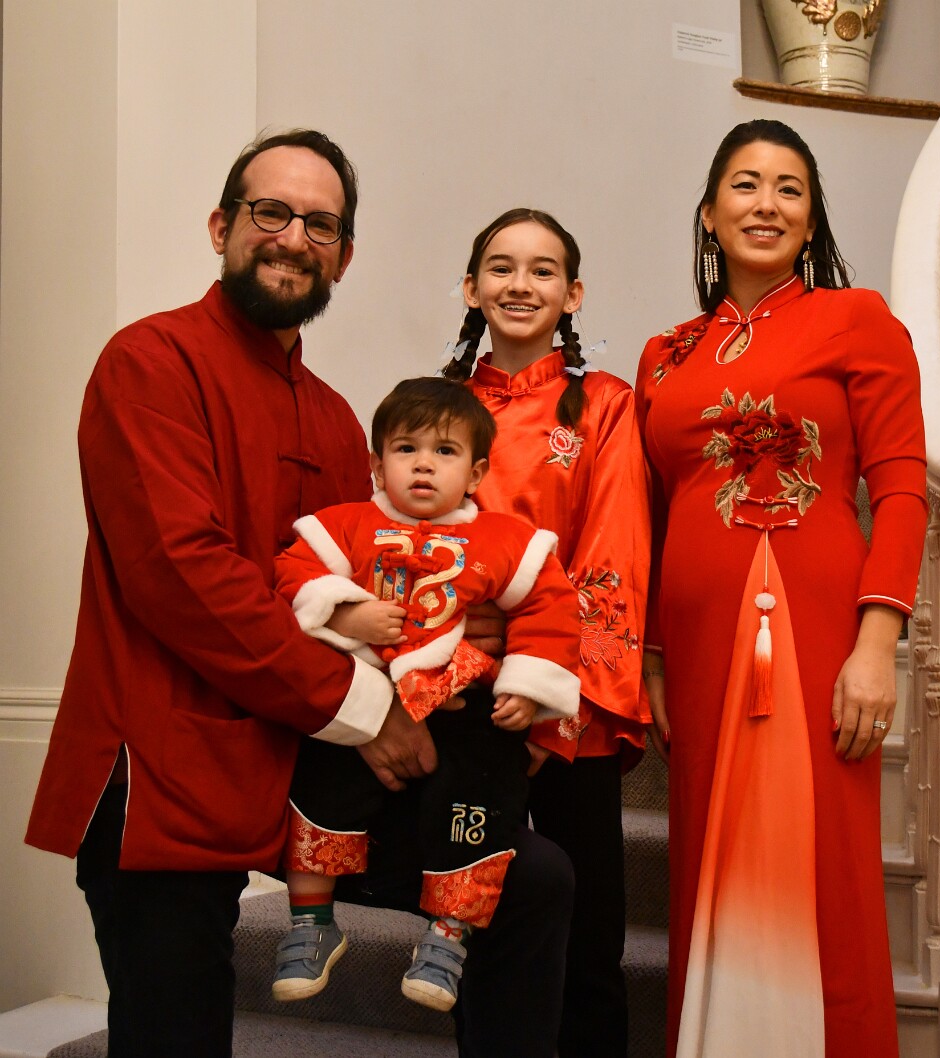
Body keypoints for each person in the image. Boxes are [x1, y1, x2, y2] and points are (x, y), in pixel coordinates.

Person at [23, 130, 574, 1058]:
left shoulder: (329, 416)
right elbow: (185, 575)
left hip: (297, 763)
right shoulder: (149, 362)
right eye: (269, 212)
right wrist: (366, 711)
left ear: (344, 257)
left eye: (321, 224)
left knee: (535, 878)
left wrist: (472, 630)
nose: (292, 237)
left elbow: (376, 571)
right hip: (165, 770)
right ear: (221, 226)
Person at [634, 120, 927, 1058]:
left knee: (823, 863)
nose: (767, 203)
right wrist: (649, 658)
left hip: (819, 626)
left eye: (790, 188)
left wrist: (877, 645)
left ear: (811, 219)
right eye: (747, 185)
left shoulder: (858, 319)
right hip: (697, 636)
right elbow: (641, 514)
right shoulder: (665, 354)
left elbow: (902, 485)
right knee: (708, 867)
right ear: (710, 213)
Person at [270, 375, 581, 1013]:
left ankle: (449, 934)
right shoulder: (343, 528)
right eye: (405, 448)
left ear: (475, 472)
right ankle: (310, 922)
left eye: (444, 452)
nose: (422, 464)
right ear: (376, 464)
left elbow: (551, 609)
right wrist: (344, 614)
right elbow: (288, 577)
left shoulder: (507, 541)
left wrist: (527, 685)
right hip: (365, 698)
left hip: (459, 701)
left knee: (483, 794)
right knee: (317, 776)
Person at [442, 208, 651, 1057]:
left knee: (588, 944)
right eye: (500, 267)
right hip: (460, 698)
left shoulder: (604, 407)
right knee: (473, 925)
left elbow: (613, 560)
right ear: (471, 288)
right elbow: (408, 549)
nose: (519, 285)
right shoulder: (440, 408)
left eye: (541, 270)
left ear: (573, 293)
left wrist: (547, 699)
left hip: (569, 717)